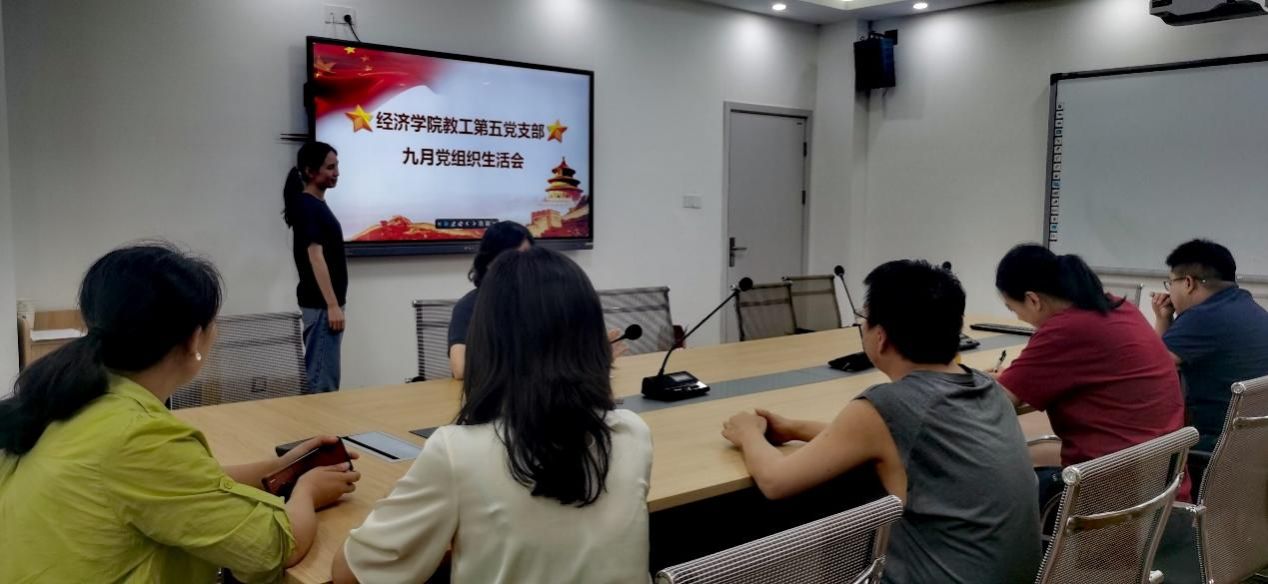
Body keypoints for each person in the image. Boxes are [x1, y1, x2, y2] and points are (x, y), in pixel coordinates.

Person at [0, 243, 360, 583]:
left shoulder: (73, 398)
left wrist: (280, 467)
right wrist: (307, 492)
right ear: (193, 339)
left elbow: (180, 485)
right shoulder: (138, 436)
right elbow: (275, 546)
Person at [333, 247, 652, 584]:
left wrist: (399, 502)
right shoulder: (634, 433)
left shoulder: (456, 453)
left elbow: (348, 575)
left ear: (486, 341)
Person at [722, 260, 1040, 584]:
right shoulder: (988, 387)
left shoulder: (888, 404)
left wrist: (748, 433)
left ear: (880, 336)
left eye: (864, 318)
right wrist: (795, 428)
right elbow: (889, 440)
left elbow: (775, 481)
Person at [993, 244, 1189, 506]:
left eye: (1013, 309)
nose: (1020, 318)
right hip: (1162, 488)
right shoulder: (1118, 307)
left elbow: (997, 401)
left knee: (994, 488)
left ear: (1033, 300)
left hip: (1110, 499)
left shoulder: (1065, 329)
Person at [1151, 239, 1268, 452]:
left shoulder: (1201, 317)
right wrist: (1165, 318)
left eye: (1170, 283)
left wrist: (1161, 321)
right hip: (1255, 448)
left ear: (1188, 283)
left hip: (1215, 448)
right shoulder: (1251, 309)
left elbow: (1149, 371)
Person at [284, 141, 348, 392]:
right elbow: (315, 256)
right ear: (311, 171)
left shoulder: (314, 204)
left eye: (337, 166)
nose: (336, 173)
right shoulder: (308, 206)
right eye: (330, 168)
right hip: (321, 307)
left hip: (324, 306)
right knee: (322, 383)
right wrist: (332, 305)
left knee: (323, 378)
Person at [448, 221, 534, 380]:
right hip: (496, 390)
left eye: (527, 258)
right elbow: (460, 368)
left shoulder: (545, 300)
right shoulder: (469, 306)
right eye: (511, 259)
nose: (522, 266)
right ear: (489, 263)